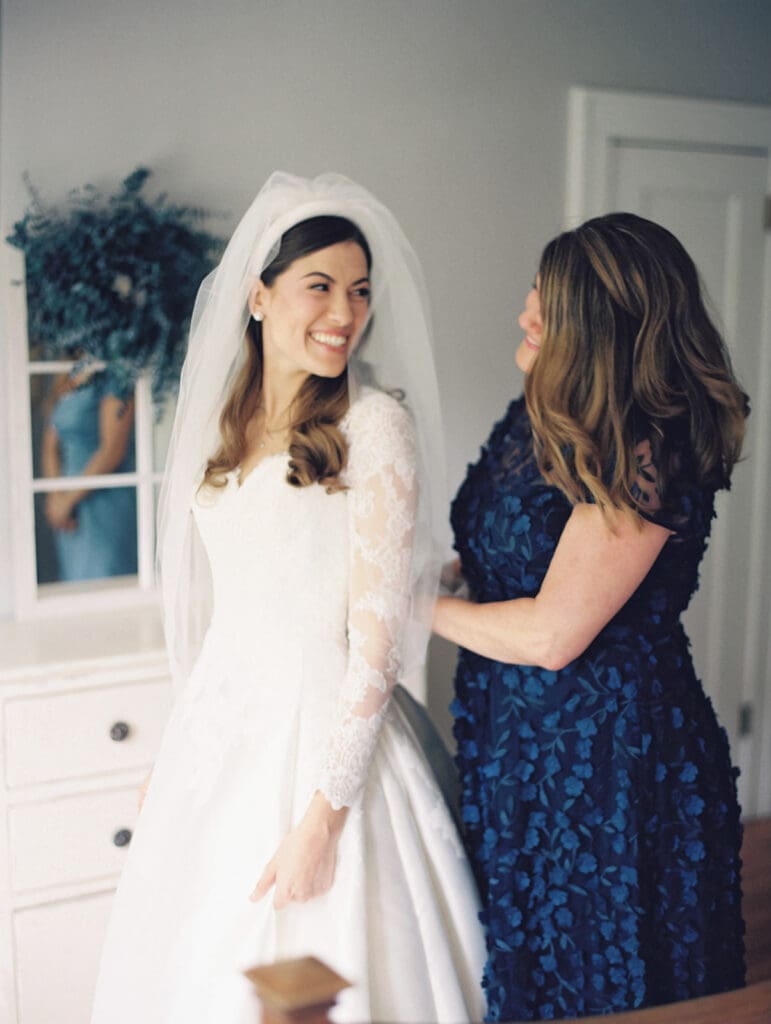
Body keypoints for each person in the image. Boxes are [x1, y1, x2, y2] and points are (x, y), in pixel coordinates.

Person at [90, 172, 486, 1024]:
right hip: (222, 731)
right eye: (319, 286)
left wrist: (321, 823)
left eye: (359, 292)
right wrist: (177, 750)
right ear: (258, 296)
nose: (343, 313)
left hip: (325, 749)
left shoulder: (373, 424)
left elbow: (376, 647)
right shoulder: (225, 428)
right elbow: (236, 614)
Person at [433, 213, 749, 1021]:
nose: (524, 312)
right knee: (531, 962)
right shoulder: (539, 412)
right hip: (513, 740)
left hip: (607, 758)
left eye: (548, 302)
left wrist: (405, 609)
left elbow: (550, 633)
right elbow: (500, 551)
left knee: (609, 979)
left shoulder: (648, 455)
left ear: (604, 327)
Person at [42, 367, 137, 581]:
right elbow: (50, 448)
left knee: (107, 576)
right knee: (76, 580)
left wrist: (67, 501)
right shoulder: (66, 376)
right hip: (70, 507)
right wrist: (56, 496)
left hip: (104, 497)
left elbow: (112, 450)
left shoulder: (114, 374)